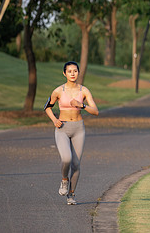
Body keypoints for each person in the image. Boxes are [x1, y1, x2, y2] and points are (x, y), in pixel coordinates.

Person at [44, 61, 99, 205]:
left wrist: (82, 105)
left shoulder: (84, 91)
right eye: (69, 71)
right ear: (64, 73)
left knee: (76, 164)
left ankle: (71, 195)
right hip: (62, 128)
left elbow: (96, 111)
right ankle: (64, 180)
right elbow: (47, 107)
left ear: (78, 73)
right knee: (66, 158)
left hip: (78, 128)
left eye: (75, 71)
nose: (73, 74)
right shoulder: (58, 91)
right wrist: (54, 120)